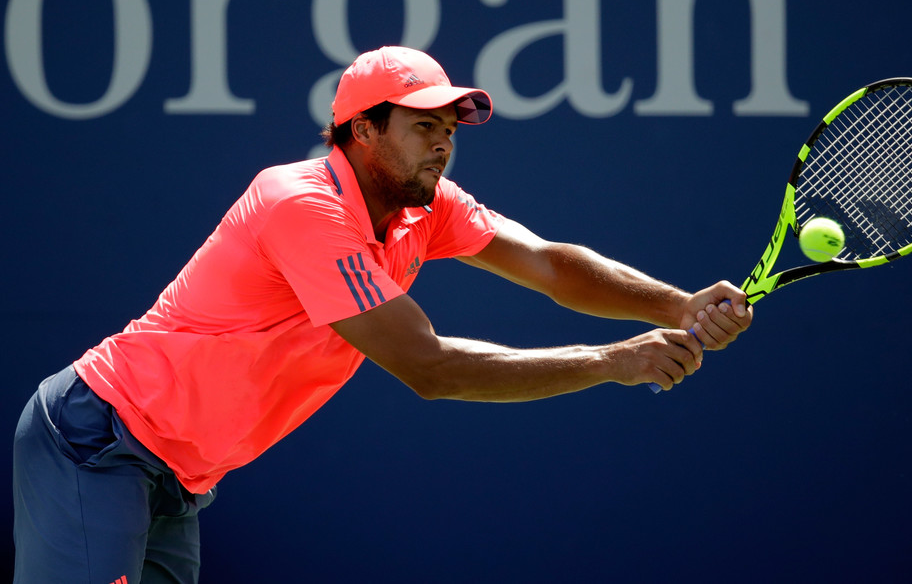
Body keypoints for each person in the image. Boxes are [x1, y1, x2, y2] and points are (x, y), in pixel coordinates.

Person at [12, 45, 752, 583]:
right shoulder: (299, 204)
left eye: (451, 126)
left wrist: (678, 302)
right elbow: (429, 367)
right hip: (98, 440)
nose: (444, 140)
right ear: (362, 130)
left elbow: (549, 263)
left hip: (180, 474)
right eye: (424, 123)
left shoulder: (424, 208)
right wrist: (611, 361)